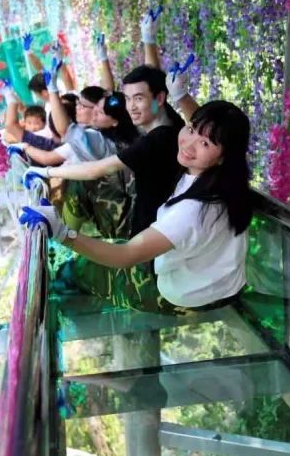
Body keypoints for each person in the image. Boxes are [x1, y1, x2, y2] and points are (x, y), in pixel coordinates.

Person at [24, 100, 254, 313]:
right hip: (220, 287)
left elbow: (126, 255)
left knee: (76, 270)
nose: (189, 144)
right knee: (105, 247)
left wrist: (62, 233)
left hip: (186, 298)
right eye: (191, 129)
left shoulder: (194, 210)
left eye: (204, 143)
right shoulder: (226, 182)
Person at [28, 64, 184, 237]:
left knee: (79, 185)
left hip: (144, 234)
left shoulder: (152, 140)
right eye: (128, 99)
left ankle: (59, 237)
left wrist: (46, 172)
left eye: (138, 99)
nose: (131, 107)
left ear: (160, 98)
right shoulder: (173, 124)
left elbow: (93, 170)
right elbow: (153, 85)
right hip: (154, 227)